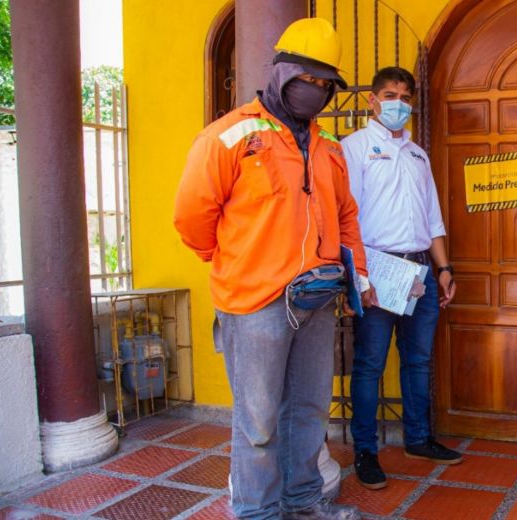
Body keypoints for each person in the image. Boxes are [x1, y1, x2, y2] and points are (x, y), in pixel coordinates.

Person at [174, 18, 373, 520]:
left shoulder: (329, 148)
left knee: (307, 413)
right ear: (282, 73)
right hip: (255, 304)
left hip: (317, 299)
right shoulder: (231, 136)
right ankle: (256, 512)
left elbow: (346, 216)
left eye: (327, 84)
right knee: (258, 424)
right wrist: (239, 262)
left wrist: (358, 275)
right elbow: (192, 218)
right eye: (309, 79)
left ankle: (303, 504)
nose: (318, 91)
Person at [341, 66, 460, 490]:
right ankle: (366, 451)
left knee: (418, 360)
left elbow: (433, 217)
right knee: (370, 365)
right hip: (379, 269)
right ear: (372, 100)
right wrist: (360, 278)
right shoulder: (353, 148)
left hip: (421, 271)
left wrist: (443, 269)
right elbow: (346, 217)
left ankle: (418, 438)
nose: (399, 103)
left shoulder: (418, 154)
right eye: (390, 95)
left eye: (406, 97)